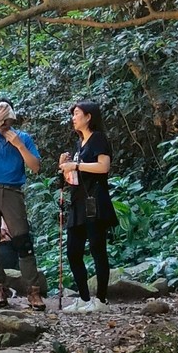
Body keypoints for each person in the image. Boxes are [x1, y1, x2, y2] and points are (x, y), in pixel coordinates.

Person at [0, 99, 43, 309]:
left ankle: (33, 291)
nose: (3, 117)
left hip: (12, 192)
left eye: (5, 112)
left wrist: (19, 145)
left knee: (23, 242)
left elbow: (35, 167)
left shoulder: (22, 137)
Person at [59, 100, 116, 314]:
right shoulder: (79, 144)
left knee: (97, 250)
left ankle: (101, 299)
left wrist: (75, 165)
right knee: (73, 251)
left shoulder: (98, 138)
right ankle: (83, 299)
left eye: (76, 113)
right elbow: (75, 177)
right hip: (77, 203)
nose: (73, 118)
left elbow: (103, 166)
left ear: (88, 116)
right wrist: (64, 167)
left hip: (95, 201)